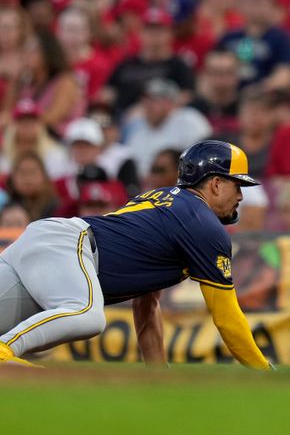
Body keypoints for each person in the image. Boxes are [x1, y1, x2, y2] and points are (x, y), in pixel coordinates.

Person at [0, 140, 273, 370]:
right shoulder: (203, 223)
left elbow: (147, 305)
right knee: (86, 315)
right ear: (215, 184)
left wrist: (159, 380)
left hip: (47, 243)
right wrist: (265, 373)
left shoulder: (165, 201)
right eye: (237, 185)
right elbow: (227, 318)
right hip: (71, 245)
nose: (240, 195)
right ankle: (4, 350)